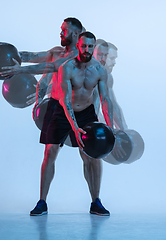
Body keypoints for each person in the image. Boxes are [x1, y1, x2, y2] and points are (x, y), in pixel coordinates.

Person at [30, 31, 113, 216]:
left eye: (90, 46)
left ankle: (96, 202)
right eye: (83, 46)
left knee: (91, 156)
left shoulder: (99, 70)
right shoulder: (67, 68)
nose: (86, 49)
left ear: (94, 47)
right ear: (78, 46)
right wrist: (74, 128)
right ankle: (42, 202)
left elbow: (105, 100)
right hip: (61, 110)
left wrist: (111, 127)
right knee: (50, 151)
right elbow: (66, 101)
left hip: (86, 111)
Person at [0, 17, 83, 108]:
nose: (61, 33)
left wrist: (21, 70)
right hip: (54, 108)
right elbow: (33, 56)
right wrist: (12, 56)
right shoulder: (57, 52)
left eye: (65, 30)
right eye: (61, 30)